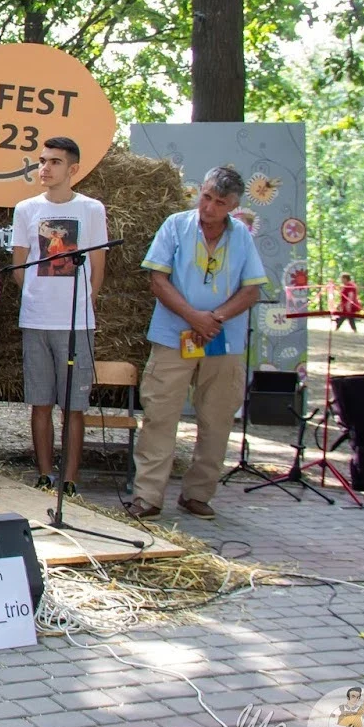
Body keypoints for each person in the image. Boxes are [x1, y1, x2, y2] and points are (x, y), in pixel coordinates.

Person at [130, 166, 266, 520]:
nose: (209, 207)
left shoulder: (242, 238)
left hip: (223, 340)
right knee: (160, 416)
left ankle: (198, 494)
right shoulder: (176, 225)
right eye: (206, 197)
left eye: (219, 203)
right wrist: (194, 317)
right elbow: (157, 280)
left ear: (233, 206)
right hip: (174, 336)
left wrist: (215, 318)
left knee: (217, 419)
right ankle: (148, 496)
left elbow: (252, 290)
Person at [11, 137, 108, 497]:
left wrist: (85, 301)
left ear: (73, 169)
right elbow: (20, 265)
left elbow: (98, 264)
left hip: (75, 323)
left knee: (74, 405)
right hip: (36, 319)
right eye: (42, 161)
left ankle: (69, 479)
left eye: (54, 162)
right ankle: (44, 474)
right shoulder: (25, 209)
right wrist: (37, 295)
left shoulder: (91, 209)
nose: (45, 168)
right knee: (40, 401)